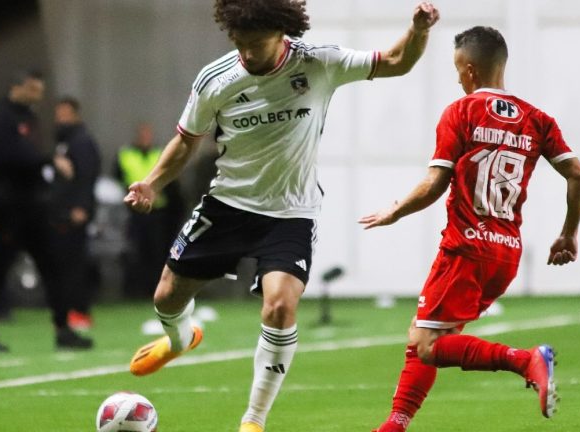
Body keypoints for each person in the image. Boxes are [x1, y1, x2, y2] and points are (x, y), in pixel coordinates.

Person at [124, 1, 440, 431]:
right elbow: (186, 141)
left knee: (278, 307)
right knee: (166, 298)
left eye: (257, 44)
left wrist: (418, 30)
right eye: (240, 44)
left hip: (291, 212)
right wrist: (152, 183)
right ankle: (181, 340)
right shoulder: (216, 79)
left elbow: (397, 62)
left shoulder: (318, 62)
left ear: (282, 33)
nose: (248, 54)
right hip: (228, 205)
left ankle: (253, 420)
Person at [360, 26, 580, 431]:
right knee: (425, 334)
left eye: (456, 70)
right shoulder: (537, 119)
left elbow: (435, 184)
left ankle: (525, 360)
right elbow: (579, 176)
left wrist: (395, 210)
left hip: (465, 248)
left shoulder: (461, 112)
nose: (457, 78)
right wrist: (569, 233)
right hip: (506, 253)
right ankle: (393, 426)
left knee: (427, 345)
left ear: (469, 69)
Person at [0, 70, 92, 351]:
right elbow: (9, 155)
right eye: (32, 89)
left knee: (53, 268)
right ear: (16, 86)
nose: (37, 96)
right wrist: (49, 160)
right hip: (8, 209)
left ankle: (63, 329)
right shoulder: (1, 117)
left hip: (34, 208)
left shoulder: (29, 118)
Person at [114, 122, 184, 298]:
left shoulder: (159, 153)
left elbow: (172, 180)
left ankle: (156, 289)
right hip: (133, 212)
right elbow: (117, 178)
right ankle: (135, 291)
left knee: (158, 251)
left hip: (157, 211)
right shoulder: (126, 154)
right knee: (136, 251)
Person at [50, 96, 102, 331]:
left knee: (74, 264)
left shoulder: (81, 142)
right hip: (62, 212)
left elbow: (86, 176)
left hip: (74, 213)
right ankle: (68, 310)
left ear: (75, 114)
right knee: (62, 264)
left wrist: (81, 207)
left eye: (64, 113)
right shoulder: (63, 142)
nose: (59, 118)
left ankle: (79, 311)